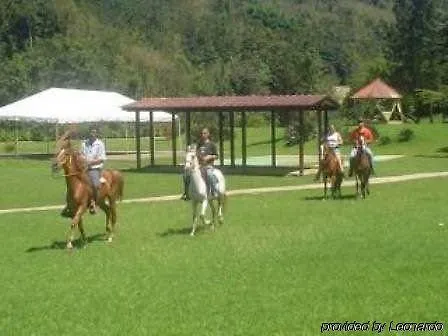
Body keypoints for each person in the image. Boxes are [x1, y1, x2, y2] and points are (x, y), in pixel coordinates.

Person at [180, 128, 218, 200]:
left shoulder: (212, 144)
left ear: (208, 134)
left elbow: (216, 156)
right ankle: (186, 193)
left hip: (209, 166)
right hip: (199, 166)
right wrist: (192, 164)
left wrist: (210, 156)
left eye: (205, 133)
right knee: (186, 175)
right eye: (202, 133)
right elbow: (196, 154)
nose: (203, 135)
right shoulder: (200, 144)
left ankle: (214, 191)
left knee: (210, 175)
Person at [81, 127, 107, 213]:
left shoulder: (100, 144)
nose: (92, 134)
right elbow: (81, 155)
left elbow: (102, 158)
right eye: (91, 132)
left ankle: (94, 203)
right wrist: (83, 161)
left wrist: (91, 163)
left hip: (95, 168)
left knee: (95, 184)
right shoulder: (84, 143)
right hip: (84, 168)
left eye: (94, 132)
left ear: (96, 133)